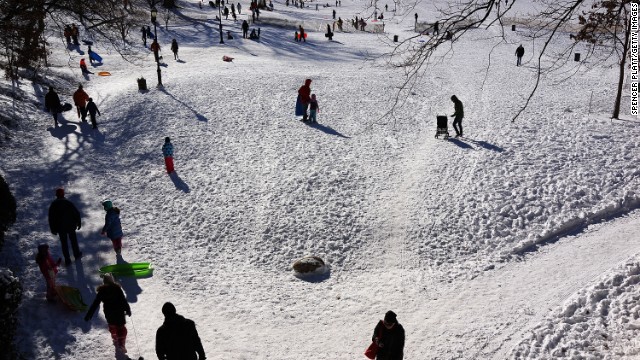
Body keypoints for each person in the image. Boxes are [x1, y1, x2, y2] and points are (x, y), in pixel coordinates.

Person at [85, 273, 132, 354]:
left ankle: (114, 337)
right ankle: (121, 343)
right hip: (119, 312)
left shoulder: (101, 291)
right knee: (121, 328)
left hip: (109, 313)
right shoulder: (117, 289)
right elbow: (123, 300)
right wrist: (128, 310)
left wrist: (89, 314)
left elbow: (95, 303)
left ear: (104, 282)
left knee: (112, 326)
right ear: (112, 281)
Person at [48, 187, 82, 266]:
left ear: (56, 195)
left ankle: (67, 260)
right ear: (63, 194)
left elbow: (51, 218)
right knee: (73, 241)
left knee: (64, 243)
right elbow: (76, 213)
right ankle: (76, 254)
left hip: (60, 228)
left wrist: (53, 229)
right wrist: (79, 222)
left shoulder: (53, 205)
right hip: (70, 226)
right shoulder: (68, 203)